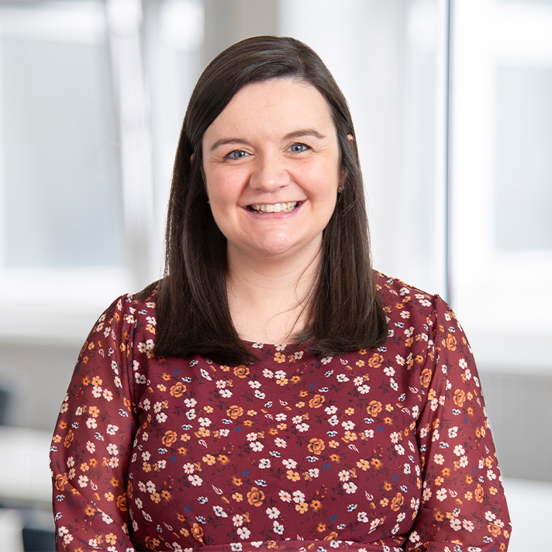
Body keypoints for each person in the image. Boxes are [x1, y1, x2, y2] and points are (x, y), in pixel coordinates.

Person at [50, 36, 511, 552]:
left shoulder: (423, 332)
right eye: (236, 153)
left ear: (342, 165)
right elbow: (89, 536)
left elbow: (466, 536)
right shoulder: (129, 337)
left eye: (299, 146)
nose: (269, 178)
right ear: (200, 171)